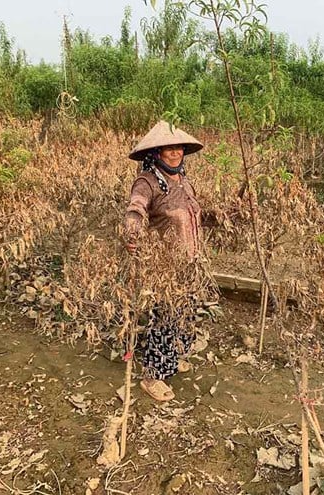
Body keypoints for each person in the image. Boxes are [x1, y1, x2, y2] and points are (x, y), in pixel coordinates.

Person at [124, 120, 204, 402]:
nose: (175, 153)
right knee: (164, 319)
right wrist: (132, 229)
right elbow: (135, 207)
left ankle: (172, 359)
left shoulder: (183, 180)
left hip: (190, 261)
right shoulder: (147, 181)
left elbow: (193, 213)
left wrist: (230, 214)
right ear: (156, 152)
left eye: (178, 147)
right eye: (168, 148)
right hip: (165, 266)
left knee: (184, 314)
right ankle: (152, 376)